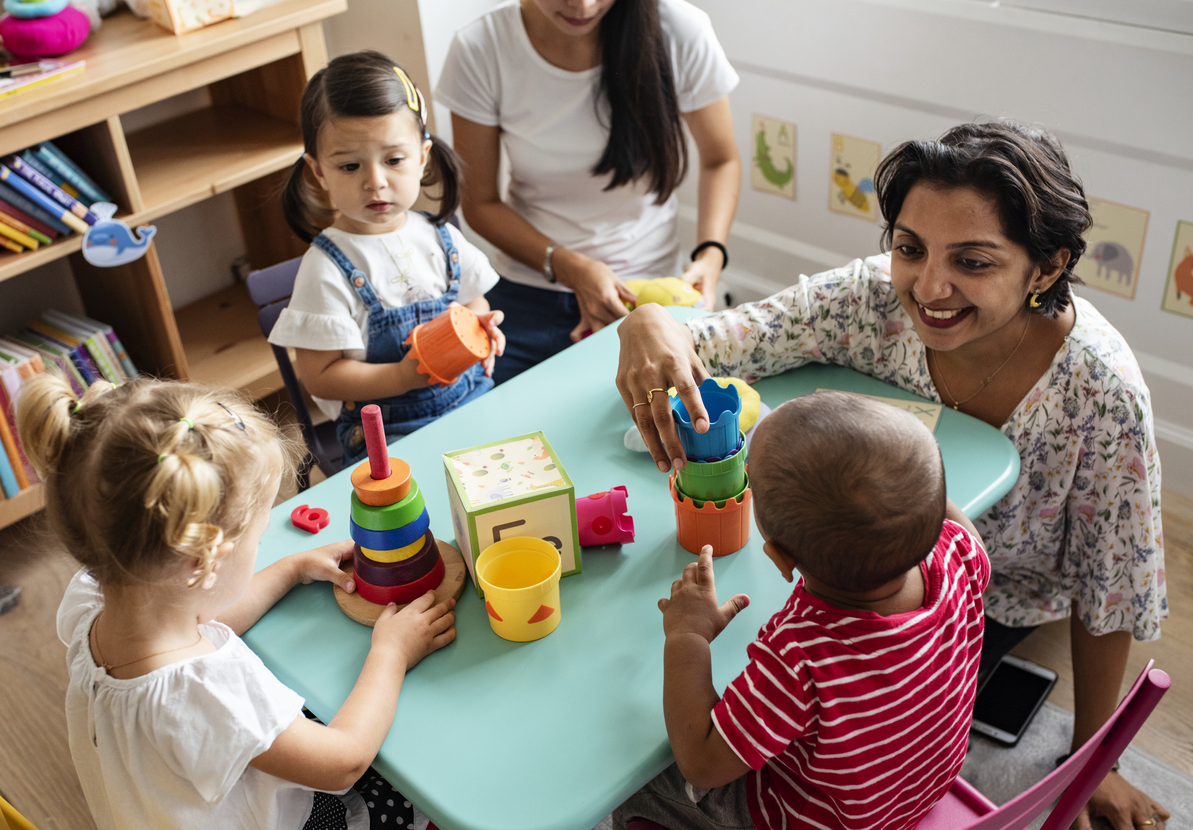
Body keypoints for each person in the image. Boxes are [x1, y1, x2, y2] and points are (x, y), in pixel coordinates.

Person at [615, 122, 1169, 830]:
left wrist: (1100, 758)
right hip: (914, 581)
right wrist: (650, 322)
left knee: (673, 725)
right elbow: (720, 339)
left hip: (994, 600)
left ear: (1047, 268)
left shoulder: (1102, 390)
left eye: (973, 261)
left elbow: (1111, 589)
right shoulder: (867, 302)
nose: (929, 287)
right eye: (909, 249)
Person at [18, 374, 457, 830]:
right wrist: (391, 653)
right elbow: (342, 761)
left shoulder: (94, 599)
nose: (262, 546)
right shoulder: (205, 692)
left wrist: (289, 569)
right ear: (203, 564)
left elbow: (198, 616)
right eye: (259, 538)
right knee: (412, 797)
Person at [614, 391, 991, 830]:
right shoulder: (958, 553)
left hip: (818, 820)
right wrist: (905, 476)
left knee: (642, 781)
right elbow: (950, 520)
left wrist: (688, 637)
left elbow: (701, 761)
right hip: (908, 796)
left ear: (779, 558)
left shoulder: (800, 656)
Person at [434, 0, 742, 382]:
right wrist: (572, 268)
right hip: (529, 290)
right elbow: (479, 202)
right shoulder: (481, 47)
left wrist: (711, 255)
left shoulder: (681, 30)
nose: (582, 5)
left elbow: (721, 160)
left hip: (646, 294)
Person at [272, 51, 506, 467]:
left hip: (473, 401)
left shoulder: (440, 236)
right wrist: (401, 376)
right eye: (349, 165)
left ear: (422, 156)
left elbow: (473, 301)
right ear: (318, 172)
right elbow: (319, 376)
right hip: (392, 436)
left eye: (394, 160)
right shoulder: (326, 268)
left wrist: (480, 329)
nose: (375, 182)